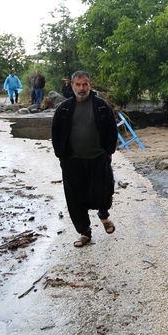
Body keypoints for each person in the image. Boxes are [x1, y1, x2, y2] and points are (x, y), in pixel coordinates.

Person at [51, 71, 118, 247]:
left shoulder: (101, 106)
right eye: (78, 85)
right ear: (72, 85)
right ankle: (85, 233)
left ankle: (104, 215)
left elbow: (112, 129)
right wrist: (61, 156)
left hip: (98, 158)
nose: (82, 88)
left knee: (105, 191)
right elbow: (56, 133)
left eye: (85, 84)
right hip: (72, 161)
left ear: (90, 85)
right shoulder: (64, 108)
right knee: (75, 198)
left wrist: (109, 151)